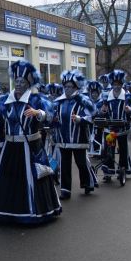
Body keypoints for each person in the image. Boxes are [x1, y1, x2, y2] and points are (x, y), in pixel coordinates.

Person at [0, 60, 61, 224]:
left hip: (30, 146)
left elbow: (51, 117)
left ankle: (33, 212)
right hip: (10, 148)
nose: (19, 84)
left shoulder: (36, 99)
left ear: (29, 84)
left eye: (23, 82)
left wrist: (37, 112)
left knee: (31, 177)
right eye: (17, 81)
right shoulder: (5, 100)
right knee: (8, 179)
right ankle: (7, 212)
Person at [52, 70, 97, 199]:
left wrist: (80, 119)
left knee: (81, 162)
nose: (67, 89)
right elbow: (53, 117)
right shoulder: (58, 102)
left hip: (78, 138)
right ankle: (65, 190)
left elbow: (92, 116)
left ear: (76, 87)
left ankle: (87, 183)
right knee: (65, 165)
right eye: (65, 86)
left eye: (70, 86)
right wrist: (53, 120)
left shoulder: (83, 101)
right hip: (63, 138)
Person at [97, 69, 131, 181]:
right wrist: (102, 111)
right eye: (114, 84)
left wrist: (130, 110)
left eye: (119, 84)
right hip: (110, 129)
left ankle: (123, 169)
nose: (116, 86)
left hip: (123, 128)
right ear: (111, 84)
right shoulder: (106, 96)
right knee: (109, 149)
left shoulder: (127, 96)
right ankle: (109, 171)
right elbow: (98, 109)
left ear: (122, 84)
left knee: (123, 150)